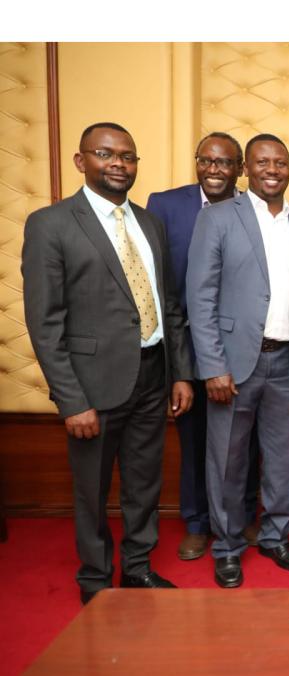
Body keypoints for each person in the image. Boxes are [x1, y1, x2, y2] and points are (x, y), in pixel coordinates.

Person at [22, 122, 194, 604]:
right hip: (92, 386)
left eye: (128, 156)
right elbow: (45, 322)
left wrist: (180, 373)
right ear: (81, 161)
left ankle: (137, 568)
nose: (119, 164)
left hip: (153, 374)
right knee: (92, 491)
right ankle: (95, 581)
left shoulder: (150, 222)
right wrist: (71, 400)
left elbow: (170, 306)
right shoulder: (50, 224)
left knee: (145, 483)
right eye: (106, 154)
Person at [187, 133, 289, 588]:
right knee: (227, 460)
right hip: (233, 365)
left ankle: (275, 536)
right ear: (246, 167)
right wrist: (212, 367)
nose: (272, 170)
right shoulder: (220, 218)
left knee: (282, 459)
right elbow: (199, 297)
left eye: (280, 163)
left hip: (284, 363)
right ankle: (226, 547)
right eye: (262, 162)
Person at [147, 132, 262, 561]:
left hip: (246, 344)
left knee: (244, 440)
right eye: (206, 161)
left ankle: (243, 514)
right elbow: (160, 283)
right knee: (194, 438)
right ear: (197, 163)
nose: (215, 170)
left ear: (240, 170)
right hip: (187, 344)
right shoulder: (165, 205)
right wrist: (177, 365)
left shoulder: (255, 209)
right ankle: (197, 522)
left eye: (225, 162)